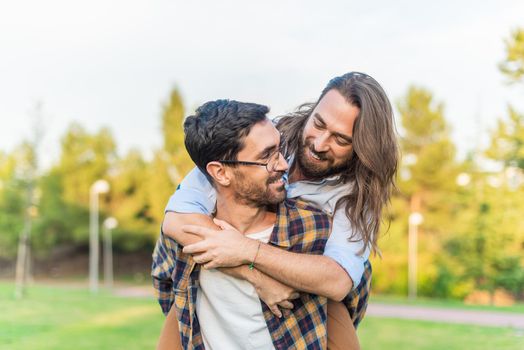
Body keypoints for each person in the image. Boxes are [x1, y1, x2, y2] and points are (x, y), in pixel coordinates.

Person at [156, 72, 398, 349]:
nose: (319, 144)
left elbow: (338, 280)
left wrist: (249, 251)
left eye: (340, 140)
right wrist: (254, 274)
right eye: (318, 124)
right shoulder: (265, 136)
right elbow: (176, 219)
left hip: (309, 297)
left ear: (362, 147)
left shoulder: (355, 196)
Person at [153, 99, 333, 349]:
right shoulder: (185, 235)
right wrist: (256, 276)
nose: (282, 164)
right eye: (266, 157)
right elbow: (167, 287)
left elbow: (350, 297)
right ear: (220, 173)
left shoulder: (315, 228)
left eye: (279, 150)